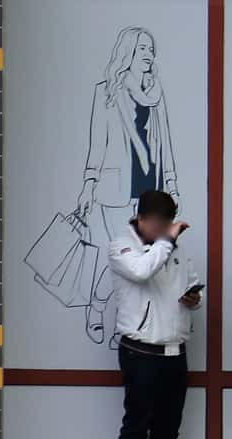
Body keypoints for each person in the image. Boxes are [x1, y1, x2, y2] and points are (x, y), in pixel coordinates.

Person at [78, 26, 180, 346]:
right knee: (124, 261)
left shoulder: (155, 94)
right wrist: (89, 183)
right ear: (129, 55)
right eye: (143, 50)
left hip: (149, 194)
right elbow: (98, 143)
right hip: (115, 189)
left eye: (151, 50)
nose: (150, 56)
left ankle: (124, 330)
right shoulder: (106, 92)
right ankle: (102, 309)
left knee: (141, 265)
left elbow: (165, 144)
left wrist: (172, 185)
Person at [107, 189, 198, 439]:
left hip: (175, 351)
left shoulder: (173, 250)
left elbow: (191, 280)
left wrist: (193, 298)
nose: (164, 230)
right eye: (159, 223)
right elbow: (141, 271)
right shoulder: (121, 246)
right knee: (136, 425)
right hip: (140, 352)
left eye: (168, 224)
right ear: (141, 219)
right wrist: (166, 242)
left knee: (168, 428)